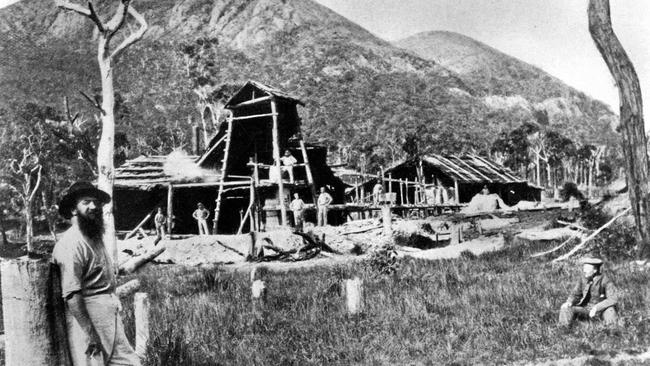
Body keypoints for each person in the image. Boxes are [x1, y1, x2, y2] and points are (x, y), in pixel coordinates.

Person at [52, 181, 140, 366]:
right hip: (87, 316)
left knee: (129, 362)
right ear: (74, 209)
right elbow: (72, 294)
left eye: (96, 202)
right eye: (86, 202)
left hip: (109, 313)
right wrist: (90, 333)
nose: (94, 207)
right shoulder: (71, 243)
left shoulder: (93, 235)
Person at [558, 255, 619, 327]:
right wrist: (569, 302)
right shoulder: (582, 279)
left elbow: (613, 299)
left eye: (587, 269)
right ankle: (564, 329)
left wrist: (597, 307)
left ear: (595, 270)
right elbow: (575, 294)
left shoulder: (606, 280)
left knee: (610, 311)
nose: (584, 271)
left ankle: (611, 331)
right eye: (584, 268)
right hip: (586, 309)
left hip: (602, 310)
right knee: (565, 308)